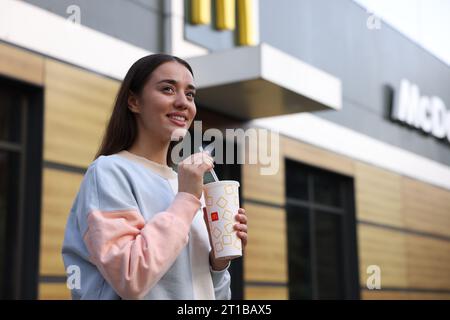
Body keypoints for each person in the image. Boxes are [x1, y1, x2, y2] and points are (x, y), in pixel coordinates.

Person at [62, 54, 248, 300]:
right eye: (168, 89)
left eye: (190, 94)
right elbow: (130, 277)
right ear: (133, 102)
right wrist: (185, 199)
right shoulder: (109, 172)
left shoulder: (186, 183)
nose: (183, 102)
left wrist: (218, 262)